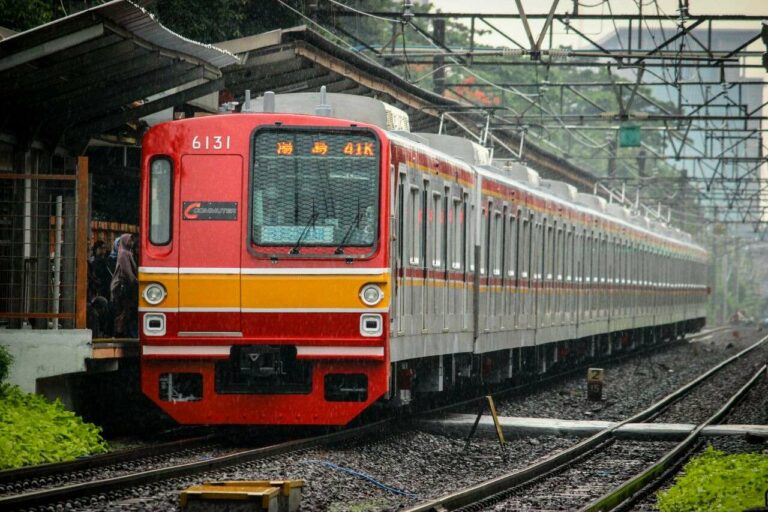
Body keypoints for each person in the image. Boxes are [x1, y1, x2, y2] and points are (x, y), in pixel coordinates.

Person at [111, 234, 138, 338]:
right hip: (122, 286)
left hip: (126, 285)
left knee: (126, 310)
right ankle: (119, 332)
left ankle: (122, 331)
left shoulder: (127, 253)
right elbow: (127, 272)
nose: (131, 242)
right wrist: (136, 281)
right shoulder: (123, 254)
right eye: (129, 240)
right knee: (124, 310)